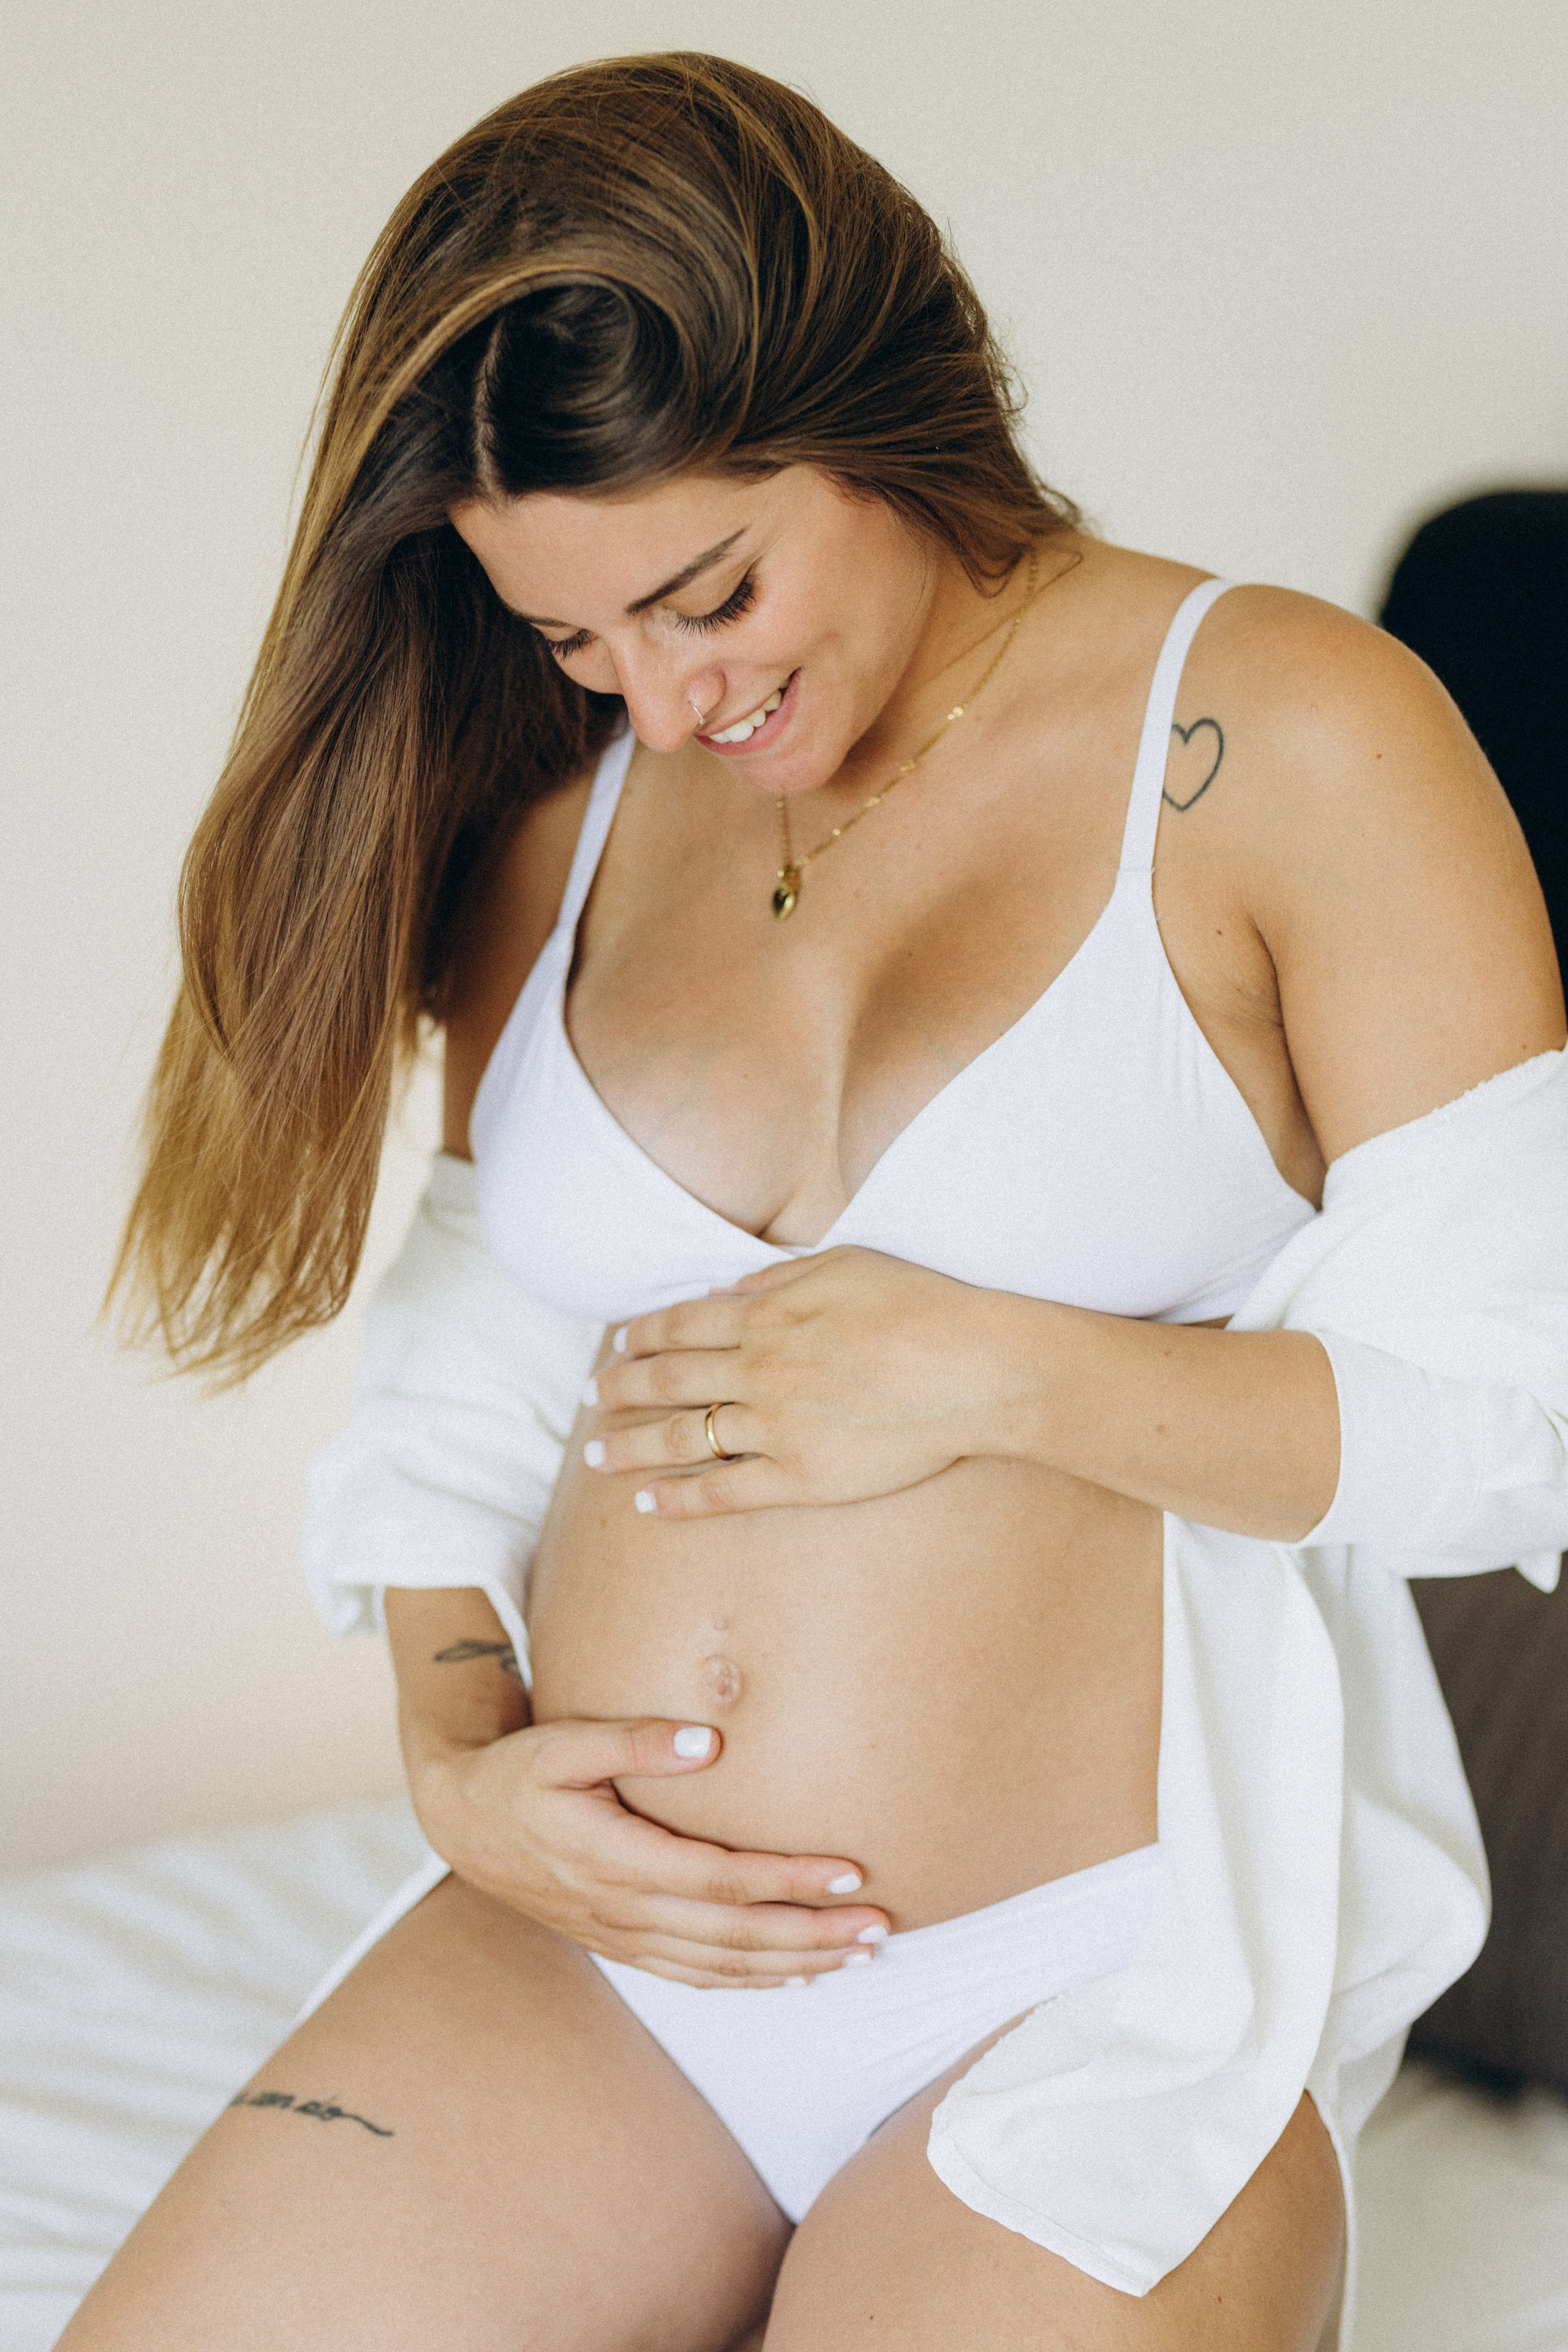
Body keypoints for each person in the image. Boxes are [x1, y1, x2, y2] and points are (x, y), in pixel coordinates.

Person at [79, 50, 1566, 2352]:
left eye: (708, 591)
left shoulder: (1289, 734)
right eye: (573, 640)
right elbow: (471, 1353)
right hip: (604, 1970)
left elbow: (1516, 1418)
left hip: (1084, 1995)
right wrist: (457, 1754)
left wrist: (1002, 1368)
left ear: (886, 415)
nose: (663, 707)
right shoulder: (572, 817)